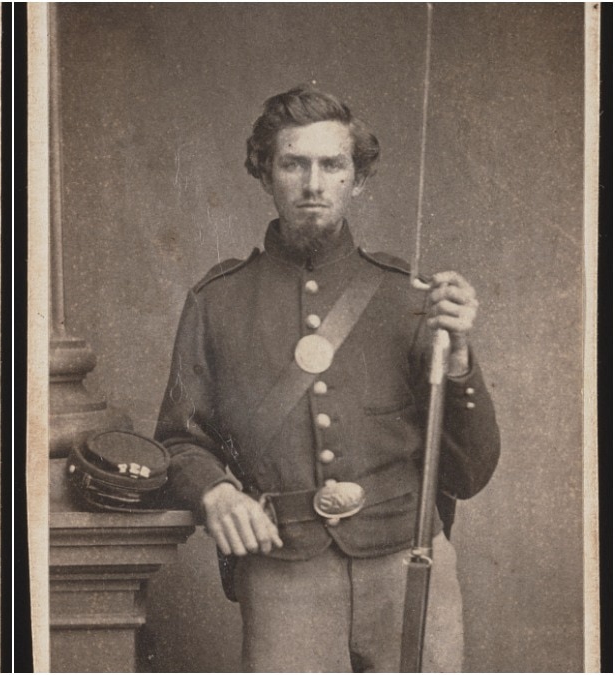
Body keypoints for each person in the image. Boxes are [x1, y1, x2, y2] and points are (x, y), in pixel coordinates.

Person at [154, 86, 500, 672]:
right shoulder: (217, 302)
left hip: (406, 558)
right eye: (293, 163)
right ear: (265, 174)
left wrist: (461, 355)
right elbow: (179, 440)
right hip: (283, 567)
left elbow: (469, 473)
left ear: (357, 180)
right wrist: (216, 491)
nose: (313, 184)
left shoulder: (410, 298)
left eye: (332, 165)